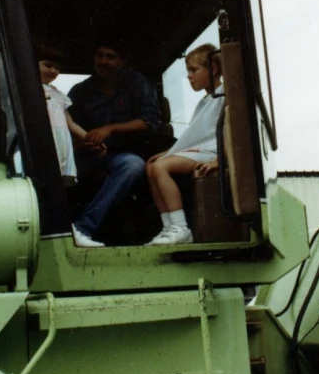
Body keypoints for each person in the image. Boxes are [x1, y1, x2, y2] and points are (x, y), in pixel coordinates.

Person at [67, 41, 163, 247]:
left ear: (122, 61)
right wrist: (83, 144)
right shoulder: (79, 91)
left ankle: (83, 228)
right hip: (87, 156)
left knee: (133, 165)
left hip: (123, 154)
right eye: (99, 55)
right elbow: (66, 129)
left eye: (110, 57)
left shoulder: (136, 83)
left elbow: (150, 121)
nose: (103, 61)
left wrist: (110, 129)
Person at [145, 43, 224, 245]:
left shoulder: (225, 95)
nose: (189, 76)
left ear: (213, 70)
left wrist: (219, 160)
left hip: (212, 152)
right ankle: (168, 227)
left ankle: (181, 228)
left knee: (161, 167)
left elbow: (228, 134)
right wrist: (169, 151)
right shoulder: (206, 101)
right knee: (151, 166)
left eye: (194, 70)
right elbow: (195, 136)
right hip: (203, 150)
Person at [38, 56, 104, 182]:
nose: (53, 70)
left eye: (57, 68)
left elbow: (71, 124)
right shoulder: (29, 90)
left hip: (62, 143)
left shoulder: (58, 94)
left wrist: (93, 140)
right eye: (48, 65)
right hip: (45, 139)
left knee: (61, 180)